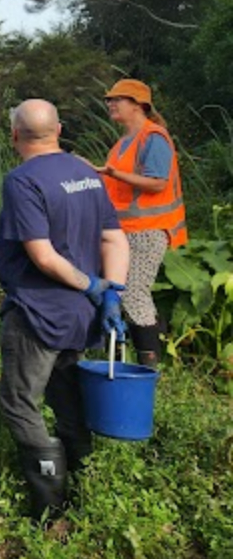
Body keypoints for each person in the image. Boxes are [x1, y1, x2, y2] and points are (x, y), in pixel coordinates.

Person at [0, 99, 129, 520]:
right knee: (66, 395)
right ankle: (87, 483)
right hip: (80, 314)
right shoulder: (86, 173)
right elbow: (114, 240)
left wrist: (92, 283)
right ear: (60, 128)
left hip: (38, 312)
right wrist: (111, 292)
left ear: (15, 135)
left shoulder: (22, 180)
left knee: (19, 402)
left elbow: (42, 255)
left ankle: (50, 506)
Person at [90, 79, 187, 368]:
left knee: (133, 294)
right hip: (121, 233)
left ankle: (149, 368)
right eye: (109, 99)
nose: (110, 103)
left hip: (148, 231)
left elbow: (158, 183)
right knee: (114, 294)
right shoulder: (122, 143)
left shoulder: (153, 138)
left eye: (117, 99)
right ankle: (116, 364)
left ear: (138, 105)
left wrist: (112, 173)